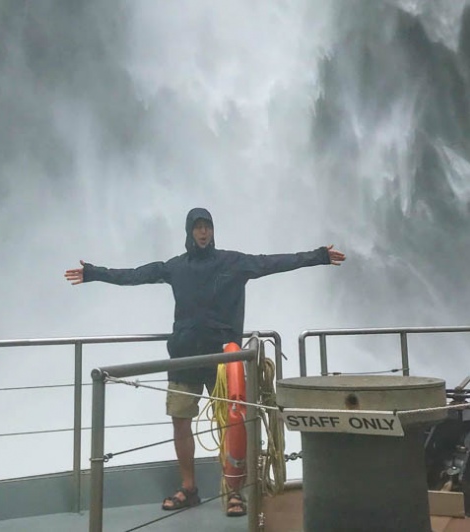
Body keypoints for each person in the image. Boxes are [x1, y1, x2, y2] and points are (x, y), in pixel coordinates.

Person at [64, 207, 346, 517]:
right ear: (189, 232)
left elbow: (274, 262)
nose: (203, 232)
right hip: (185, 357)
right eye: (197, 227)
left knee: (233, 423)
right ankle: (189, 488)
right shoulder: (176, 267)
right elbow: (134, 275)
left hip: (224, 359)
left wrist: (319, 255)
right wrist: (93, 273)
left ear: (213, 231)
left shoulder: (233, 263)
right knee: (180, 421)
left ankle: (234, 492)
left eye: (207, 227)